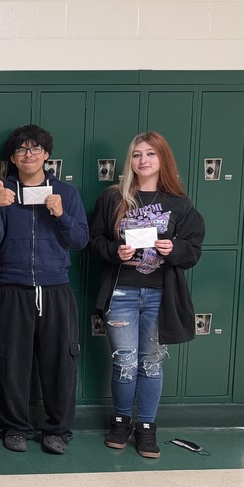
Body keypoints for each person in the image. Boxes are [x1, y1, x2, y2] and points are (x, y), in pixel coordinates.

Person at [89, 132, 205, 458]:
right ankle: (121, 422)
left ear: (162, 159)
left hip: (160, 295)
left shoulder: (179, 204)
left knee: (151, 364)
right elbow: (94, 240)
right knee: (124, 362)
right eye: (137, 155)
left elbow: (194, 250)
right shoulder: (113, 198)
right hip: (121, 292)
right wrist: (115, 251)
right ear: (131, 161)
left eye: (150, 154)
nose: (143, 160)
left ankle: (147, 429)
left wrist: (174, 248)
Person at [0, 124, 89, 455]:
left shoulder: (66, 194)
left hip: (55, 287)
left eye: (35, 149)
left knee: (61, 361)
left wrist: (60, 215)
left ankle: (57, 429)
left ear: (46, 154)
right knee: (10, 362)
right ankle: (14, 427)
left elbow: (80, 240)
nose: (28, 156)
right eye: (20, 151)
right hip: (12, 286)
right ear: (12, 159)